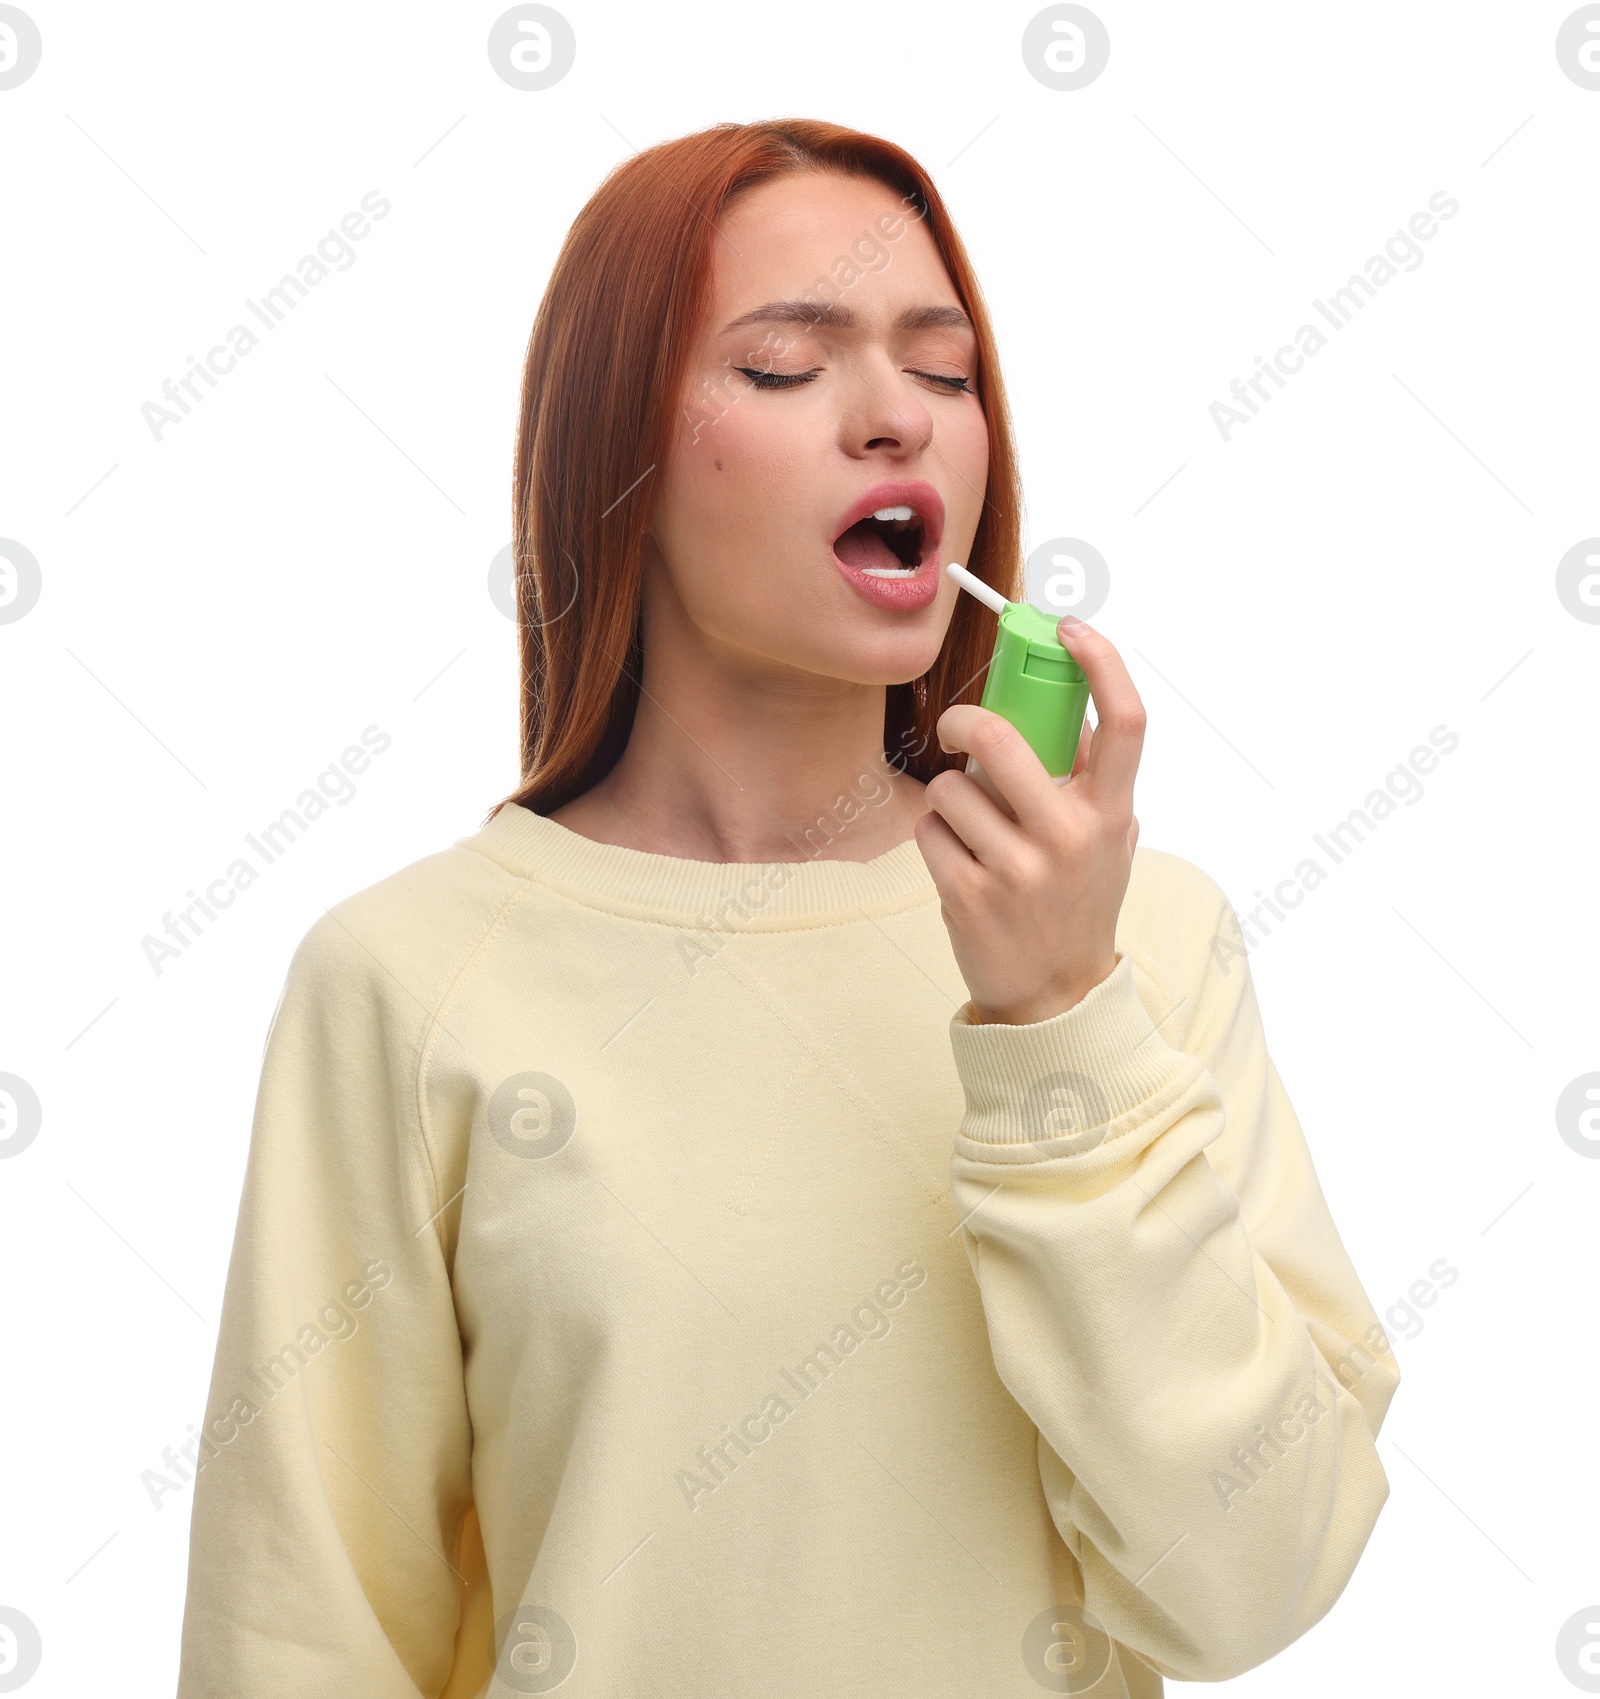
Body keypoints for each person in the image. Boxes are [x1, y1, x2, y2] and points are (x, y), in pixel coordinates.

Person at [175, 118, 1399, 1698]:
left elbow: (1258, 1587)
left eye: (946, 372)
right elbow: (301, 1642)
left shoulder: (1139, 942)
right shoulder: (406, 981)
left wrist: (1058, 1026)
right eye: (782, 368)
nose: (898, 420)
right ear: (615, 447)